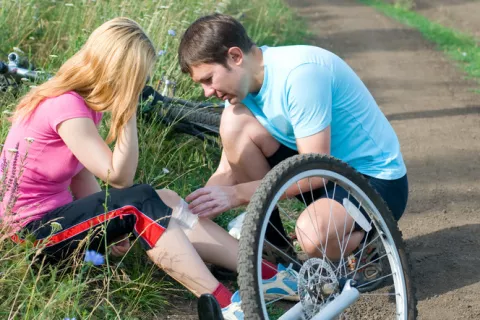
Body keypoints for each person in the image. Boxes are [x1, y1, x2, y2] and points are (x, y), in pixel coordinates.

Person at [0, 17, 297, 320]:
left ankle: (268, 275)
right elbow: (120, 177)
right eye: (138, 78)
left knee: (163, 198)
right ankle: (226, 305)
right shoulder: (66, 107)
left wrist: (109, 225)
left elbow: (80, 174)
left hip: (53, 223)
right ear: (120, 72)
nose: (141, 86)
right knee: (139, 200)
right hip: (30, 237)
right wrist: (127, 109)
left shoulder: (79, 104)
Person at [178, 13, 409, 281]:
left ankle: (370, 244)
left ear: (235, 56)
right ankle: (275, 249)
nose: (206, 92)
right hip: (322, 172)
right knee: (233, 122)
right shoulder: (242, 88)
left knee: (312, 235)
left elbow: (316, 171)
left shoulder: (300, 74)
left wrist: (236, 195)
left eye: (209, 79)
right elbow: (228, 167)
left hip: (373, 180)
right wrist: (190, 213)